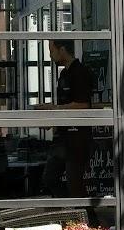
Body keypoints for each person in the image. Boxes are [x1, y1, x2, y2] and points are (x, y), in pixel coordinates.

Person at [40, 39, 96, 197]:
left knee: (75, 183)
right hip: (63, 137)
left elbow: (83, 104)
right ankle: (70, 212)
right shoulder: (64, 74)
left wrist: (54, 109)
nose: (50, 55)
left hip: (78, 138)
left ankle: (86, 218)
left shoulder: (80, 72)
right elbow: (67, 105)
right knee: (50, 178)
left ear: (62, 49)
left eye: (52, 51)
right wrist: (53, 119)